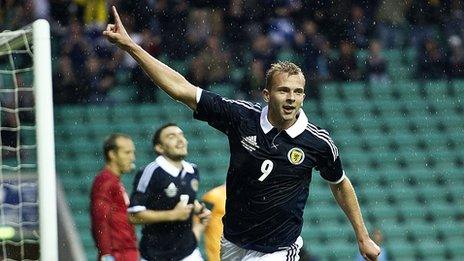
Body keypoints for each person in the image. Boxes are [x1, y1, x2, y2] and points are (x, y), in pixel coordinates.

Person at [103, 6, 381, 260]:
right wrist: (131, 47)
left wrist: (362, 236)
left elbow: (340, 183)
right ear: (266, 94)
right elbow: (181, 89)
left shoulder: (317, 142)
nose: (291, 98)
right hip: (233, 243)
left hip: (278, 249)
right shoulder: (240, 117)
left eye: (297, 92)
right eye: (283, 90)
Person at [127, 123, 211, 261]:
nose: (180, 139)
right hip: (154, 255)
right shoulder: (151, 172)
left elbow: (185, 200)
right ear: (159, 147)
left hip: (189, 253)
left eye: (182, 135)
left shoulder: (193, 170)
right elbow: (133, 215)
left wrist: (199, 212)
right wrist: (172, 215)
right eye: (172, 136)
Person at [90, 133, 139, 261]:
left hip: (125, 250)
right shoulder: (105, 180)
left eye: (133, 153)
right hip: (118, 253)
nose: (132, 157)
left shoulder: (114, 181)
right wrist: (106, 253)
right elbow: (100, 218)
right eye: (127, 153)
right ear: (112, 154)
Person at [202, 183, 226, 261]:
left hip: (234, 247)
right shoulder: (213, 195)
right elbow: (198, 220)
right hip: (216, 247)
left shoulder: (241, 197)